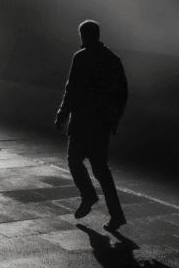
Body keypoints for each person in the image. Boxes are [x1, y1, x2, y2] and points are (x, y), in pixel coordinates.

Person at [55, 20, 128, 231]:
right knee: (101, 170)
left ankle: (88, 195)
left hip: (81, 123)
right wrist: (114, 120)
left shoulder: (81, 57)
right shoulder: (113, 59)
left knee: (74, 160)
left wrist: (62, 115)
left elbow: (72, 90)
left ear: (83, 36)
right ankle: (117, 216)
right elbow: (121, 93)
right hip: (101, 125)